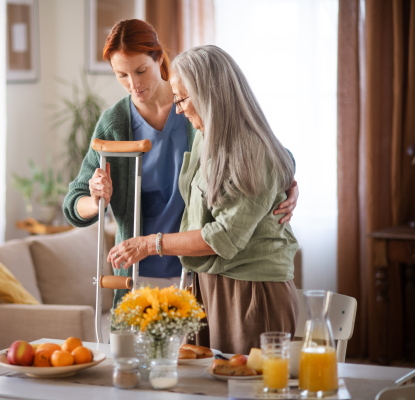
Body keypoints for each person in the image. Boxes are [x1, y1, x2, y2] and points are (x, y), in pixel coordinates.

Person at [62, 19, 298, 308]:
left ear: (158, 58)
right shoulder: (114, 124)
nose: (133, 85)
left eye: (140, 71)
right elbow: (74, 204)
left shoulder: (195, 107)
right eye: (121, 75)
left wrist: (288, 183)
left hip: (198, 272)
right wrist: (97, 199)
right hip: (138, 272)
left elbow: (264, 153)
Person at [106, 45, 300, 355]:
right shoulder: (206, 137)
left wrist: (148, 244)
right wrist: (287, 179)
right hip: (207, 286)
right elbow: (277, 163)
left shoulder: (253, 151)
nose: (178, 109)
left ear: (211, 96)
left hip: (250, 293)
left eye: (182, 99)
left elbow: (222, 237)